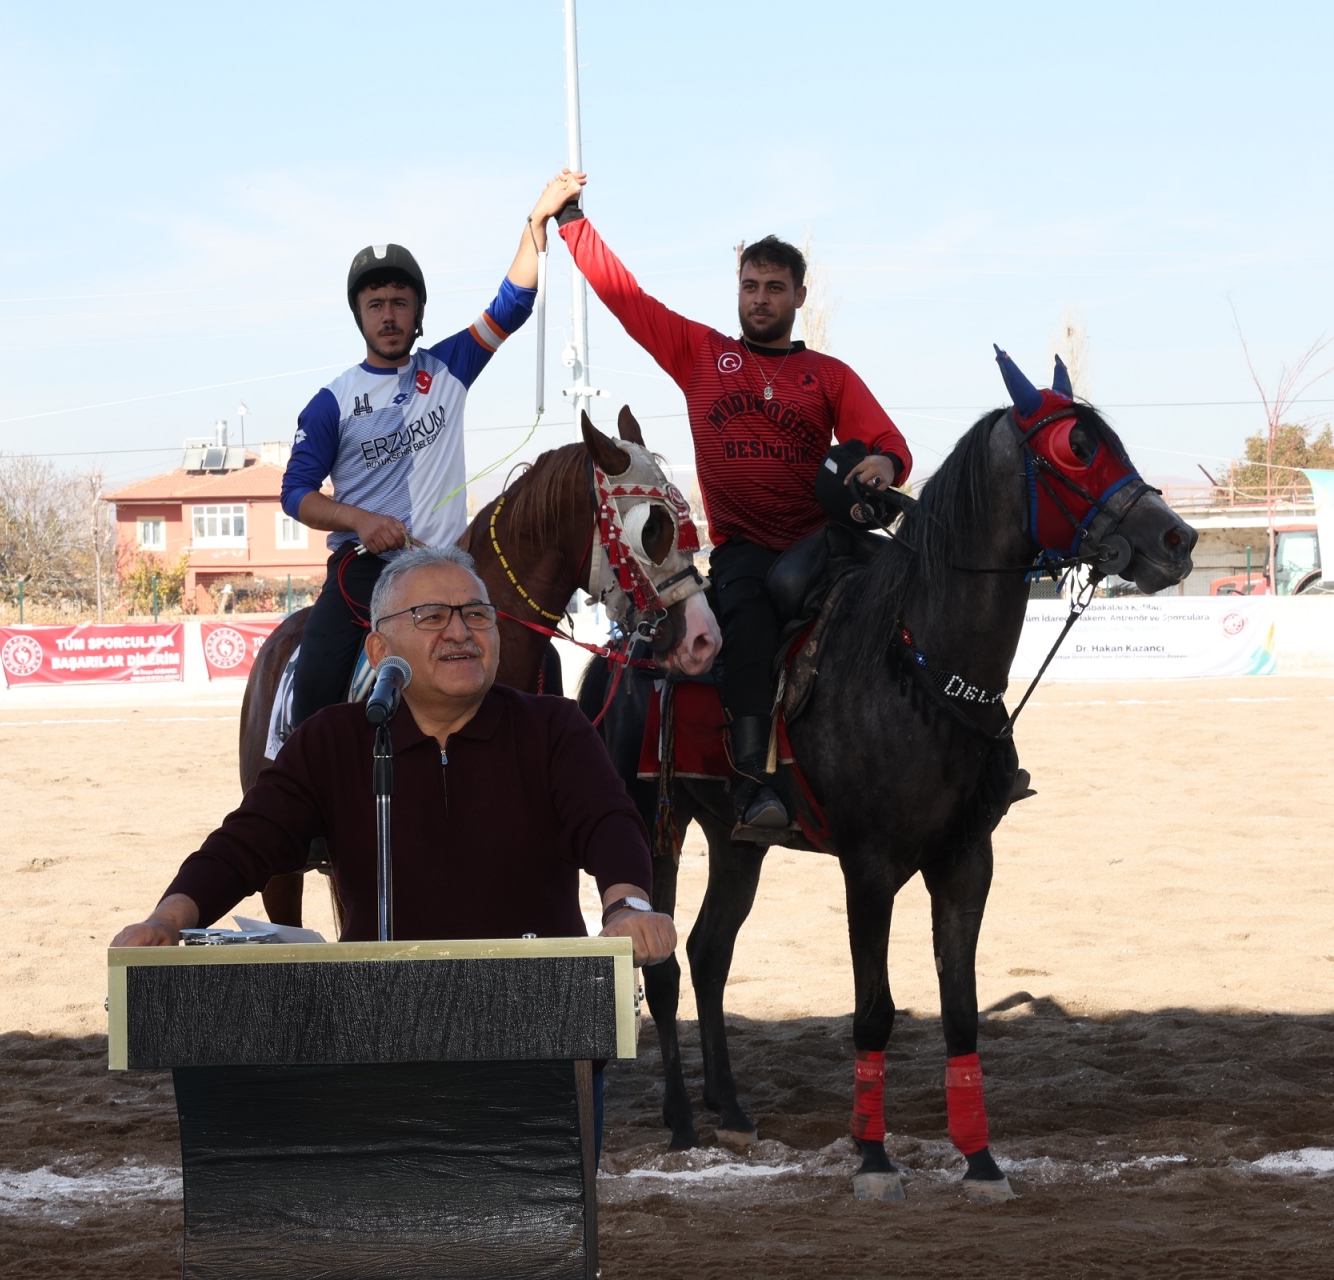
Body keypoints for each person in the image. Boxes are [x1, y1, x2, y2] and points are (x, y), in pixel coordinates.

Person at [548, 175, 913, 834]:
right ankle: (753, 787)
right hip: (748, 552)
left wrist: (883, 463)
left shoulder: (828, 376)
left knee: (911, 593)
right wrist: (572, 223)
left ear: (800, 297)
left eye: (776, 288)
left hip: (827, 544)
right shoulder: (699, 354)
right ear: (738, 291)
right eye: (751, 286)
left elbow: (887, 442)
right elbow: (628, 299)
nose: (761, 298)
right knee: (744, 627)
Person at [112, 544, 678, 966]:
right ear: (380, 649)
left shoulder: (553, 726)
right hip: (377, 1019)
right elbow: (248, 840)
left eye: (476, 615)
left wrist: (625, 906)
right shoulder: (332, 739)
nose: (460, 632)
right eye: (432, 616)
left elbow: (608, 821)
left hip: (538, 1014)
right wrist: (169, 918)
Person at [279, 173, 587, 731]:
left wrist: (535, 222)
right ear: (361, 317)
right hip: (365, 574)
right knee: (318, 686)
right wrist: (359, 519)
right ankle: (309, 797)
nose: (389, 315)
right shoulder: (332, 401)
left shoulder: (450, 367)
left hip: (453, 564)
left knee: (541, 660)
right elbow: (295, 493)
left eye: (400, 302)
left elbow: (512, 303)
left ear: (418, 311)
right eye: (376, 305)